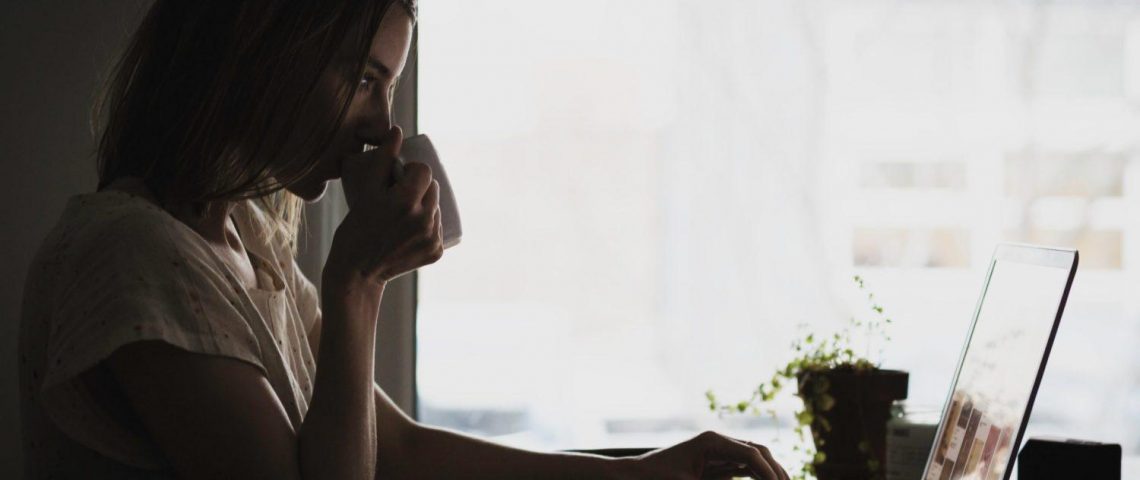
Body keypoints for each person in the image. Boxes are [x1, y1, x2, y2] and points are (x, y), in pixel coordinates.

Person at [18, 1, 789, 478]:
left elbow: (400, 450)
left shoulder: (248, 249)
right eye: (363, 77)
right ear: (260, 53)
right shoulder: (133, 256)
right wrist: (357, 284)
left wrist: (634, 476)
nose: (385, 124)